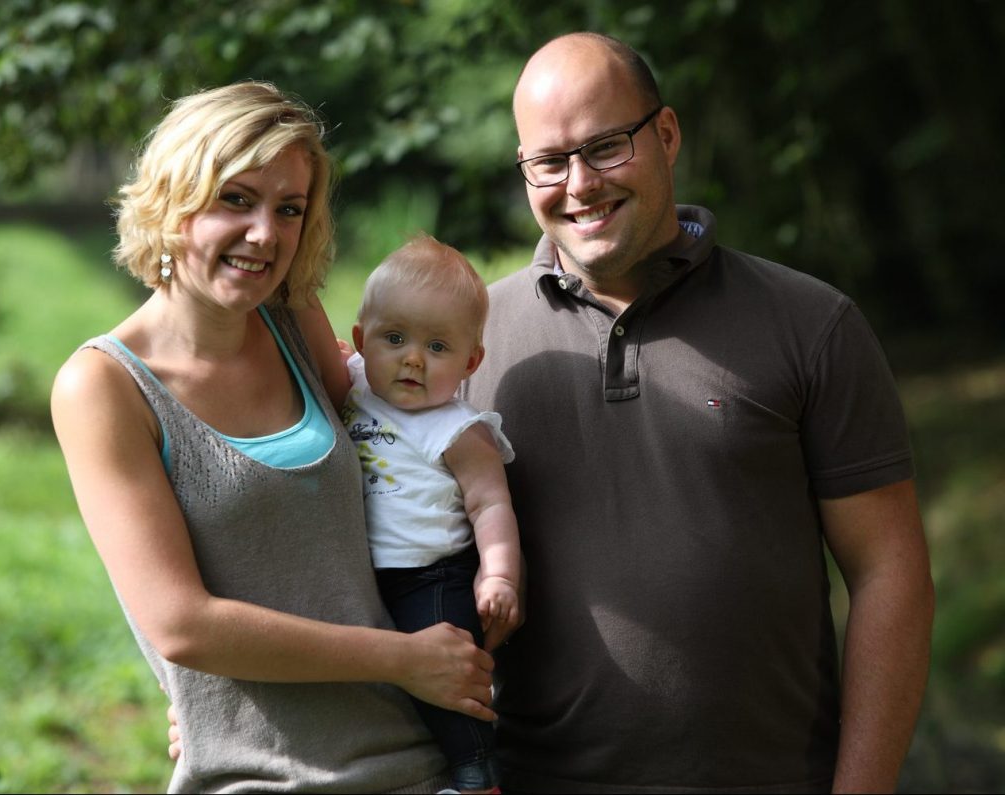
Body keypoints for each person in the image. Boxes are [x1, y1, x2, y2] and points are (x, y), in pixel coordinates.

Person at [456, 32, 936, 793]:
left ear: (668, 134)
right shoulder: (467, 343)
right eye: (548, 161)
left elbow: (890, 572)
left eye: (607, 146)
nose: (578, 184)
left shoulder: (810, 324)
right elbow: (379, 545)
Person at [50, 80, 497, 793]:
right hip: (258, 773)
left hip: (421, 752)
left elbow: (409, 437)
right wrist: (399, 656)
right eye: (237, 198)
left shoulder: (291, 316)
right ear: (173, 196)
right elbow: (182, 625)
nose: (266, 233)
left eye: (289, 208)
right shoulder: (104, 386)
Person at [342, 233, 523, 793]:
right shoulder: (349, 382)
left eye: (438, 347)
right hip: (358, 574)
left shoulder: (458, 429)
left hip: (432, 576)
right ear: (359, 340)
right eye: (394, 338)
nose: (413, 358)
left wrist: (499, 574)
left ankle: (476, 775)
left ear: (472, 361)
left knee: (451, 685)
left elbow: (490, 502)